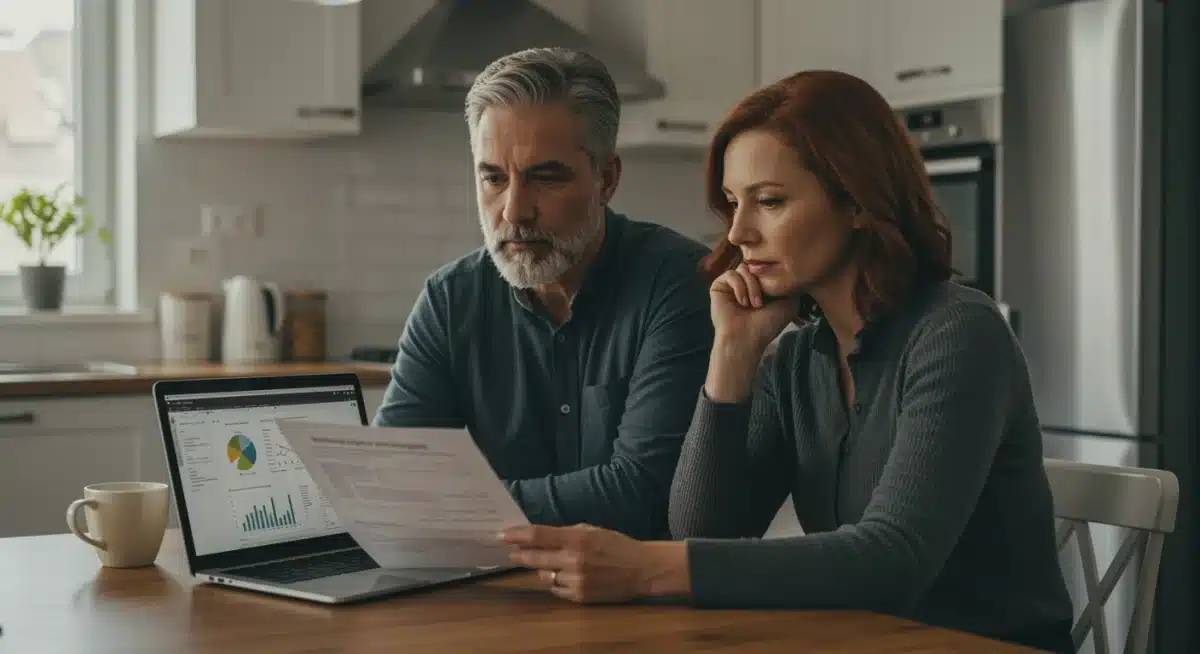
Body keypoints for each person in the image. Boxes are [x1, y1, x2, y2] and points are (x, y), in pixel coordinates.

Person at [498, 70, 1075, 653]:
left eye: (769, 201)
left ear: (856, 201)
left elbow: (892, 561)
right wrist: (733, 355)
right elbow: (706, 531)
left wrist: (646, 567)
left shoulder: (958, 332)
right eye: (733, 204)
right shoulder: (801, 358)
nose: (742, 232)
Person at [373, 47, 714, 540]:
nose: (514, 212)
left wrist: (458, 507)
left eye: (545, 178)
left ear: (607, 180)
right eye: (493, 178)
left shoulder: (677, 282)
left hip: (642, 604)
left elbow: (644, 491)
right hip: (490, 595)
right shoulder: (450, 299)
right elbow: (397, 485)